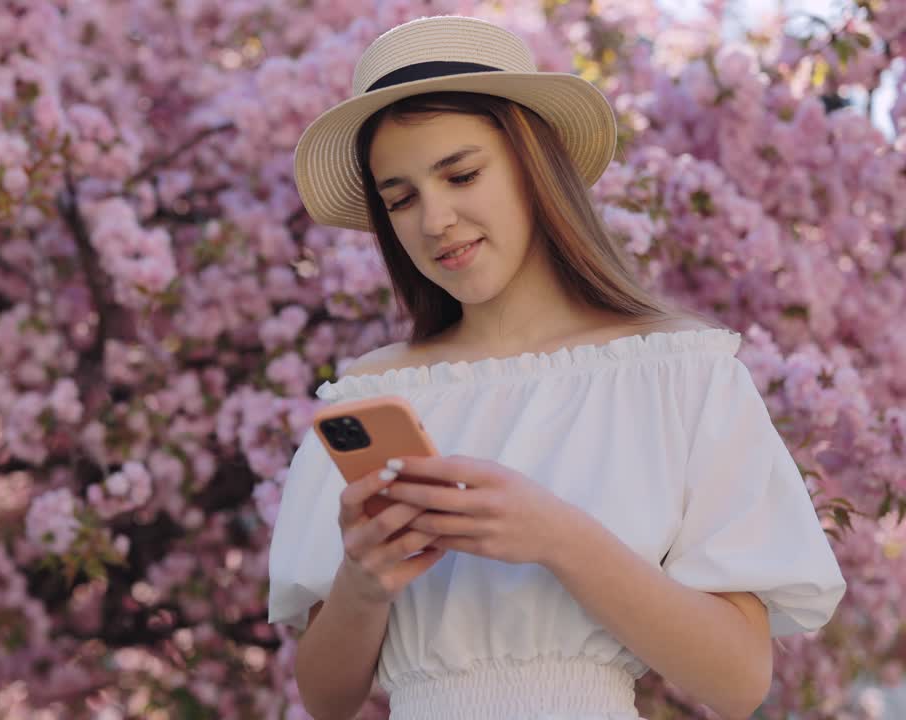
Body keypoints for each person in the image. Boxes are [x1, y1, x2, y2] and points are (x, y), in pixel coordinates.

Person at [267, 15, 847, 720]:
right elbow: (327, 700)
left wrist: (558, 538)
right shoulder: (372, 391)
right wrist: (363, 582)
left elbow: (738, 682)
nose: (435, 219)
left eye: (461, 173)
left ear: (534, 165)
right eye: (402, 199)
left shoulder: (679, 373)